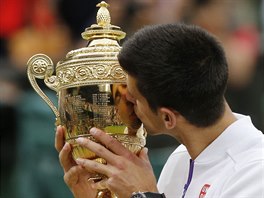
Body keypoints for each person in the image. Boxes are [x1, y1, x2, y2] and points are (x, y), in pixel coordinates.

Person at [55, 23, 264, 198]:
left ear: (167, 117)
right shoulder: (180, 159)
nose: (126, 105)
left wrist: (143, 194)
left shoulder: (255, 172)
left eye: (133, 100)